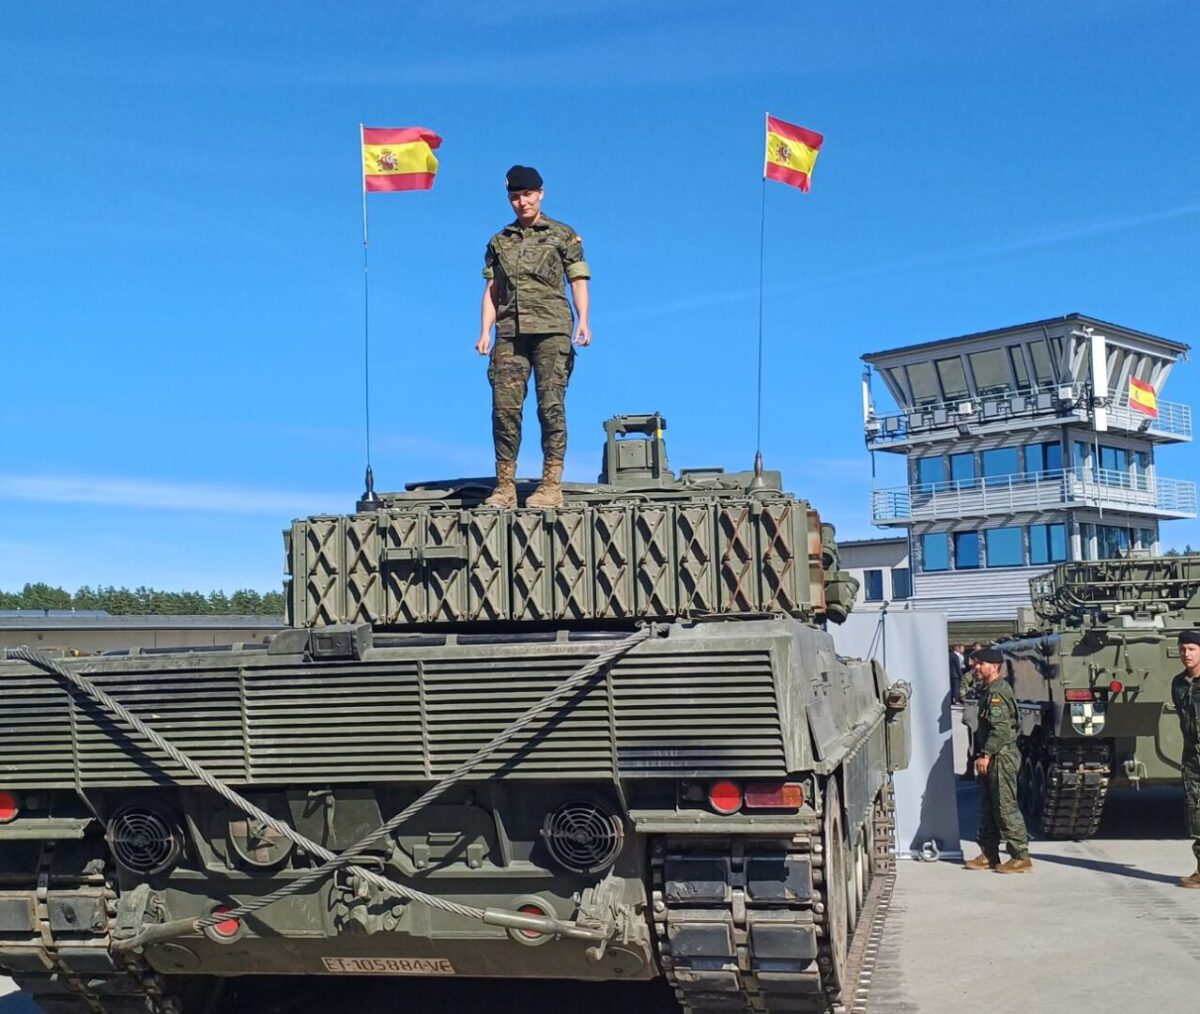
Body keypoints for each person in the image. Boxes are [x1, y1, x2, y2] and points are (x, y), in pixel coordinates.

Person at [475, 165, 591, 509]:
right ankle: (505, 487)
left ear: (540, 194)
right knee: (504, 410)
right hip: (509, 333)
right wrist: (484, 331)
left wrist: (583, 319)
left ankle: (550, 485)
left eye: (527, 195)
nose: (521, 202)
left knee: (550, 407)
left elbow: (578, 279)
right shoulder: (499, 242)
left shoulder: (562, 235)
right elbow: (492, 289)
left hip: (552, 329)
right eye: (514, 196)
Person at [963, 646, 1032, 873]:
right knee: (989, 807)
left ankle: (1020, 856)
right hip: (995, 756)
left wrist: (986, 754)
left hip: (1001, 757)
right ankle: (989, 853)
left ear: (994, 666)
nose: (977, 668)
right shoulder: (990, 689)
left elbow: (1000, 729)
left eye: (981, 664)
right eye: (976, 664)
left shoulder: (997, 693)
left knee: (1005, 807)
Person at [1172, 629, 1200, 888]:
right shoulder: (1179, 684)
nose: (1186, 654)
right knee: (1196, 811)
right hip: (1193, 757)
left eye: (1191, 649)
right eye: (1182, 649)